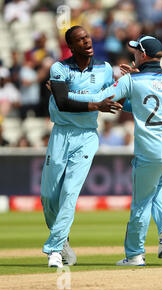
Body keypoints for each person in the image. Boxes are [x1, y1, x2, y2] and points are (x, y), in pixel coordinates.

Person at [67, 35, 162, 266]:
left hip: (151, 151)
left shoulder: (132, 80)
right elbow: (143, 103)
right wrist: (130, 84)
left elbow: (101, 98)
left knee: (140, 203)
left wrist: (65, 94)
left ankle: (134, 255)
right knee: (156, 190)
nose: (133, 54)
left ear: (143, 55)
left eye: (136, 51)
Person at [41, 26, 121, 268]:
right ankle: (62, 238)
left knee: (69, 193)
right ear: (72, 46)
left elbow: (115, 97)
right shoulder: (59, 68)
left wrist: (131, 79)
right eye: (80, 40)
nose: (87, 41)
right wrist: (95, 104)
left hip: (87, 136)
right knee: (48, 196)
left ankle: (54, 249)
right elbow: (64, 103)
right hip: (61, 134)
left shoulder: (105, 69)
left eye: (87, 37)